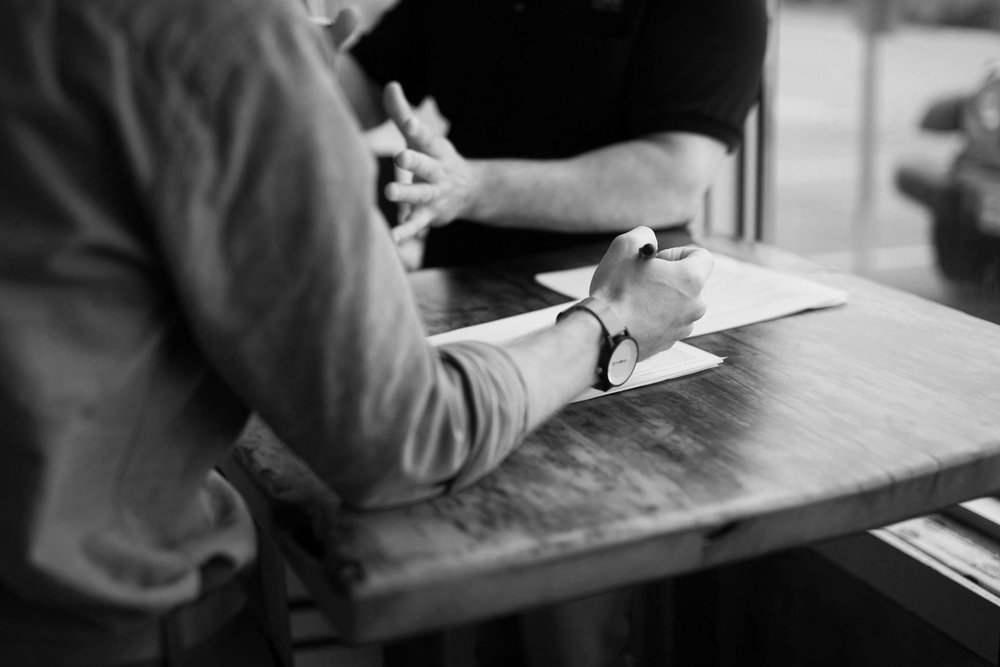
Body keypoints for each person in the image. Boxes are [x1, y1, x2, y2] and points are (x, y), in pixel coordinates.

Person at [0, 0, 713, 664]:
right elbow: (402, 436)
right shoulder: (224, 32)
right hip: (98, 623)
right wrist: (610, 324)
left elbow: (679, 170)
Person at [337, 0, 768, 268]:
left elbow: (672, 177)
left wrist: (470, 187)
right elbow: (369, 82)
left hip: (618, 295)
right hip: (463, 280)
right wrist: (286, 63)